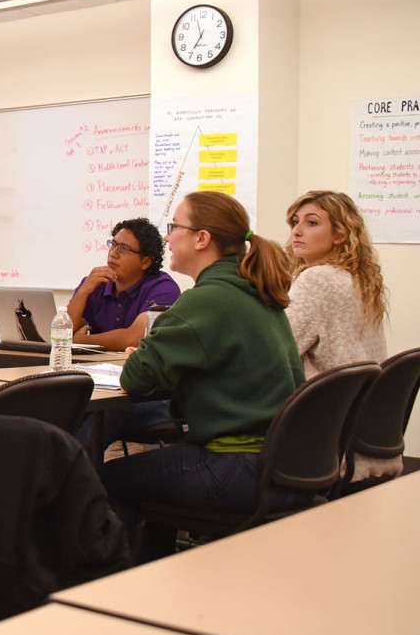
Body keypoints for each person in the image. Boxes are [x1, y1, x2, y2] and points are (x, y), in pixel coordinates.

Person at [98, 191, 307, 562]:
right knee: (128, 442)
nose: (167, 237)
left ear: (202, 238)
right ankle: (157, 574)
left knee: (103, 479)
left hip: (234, 465)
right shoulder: (253, 289)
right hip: (281, 466)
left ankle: (117, 580)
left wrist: (148, 353)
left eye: (174, 226)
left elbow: (136, 377)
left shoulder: (207, 299)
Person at [285, 190, 394, 481]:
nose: (297, 231)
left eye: (311, 223)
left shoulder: (317, 278)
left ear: (340, 234)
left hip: (329, 445)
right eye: (295, 222)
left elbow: (279, 350)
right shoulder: (357, 279)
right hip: (364, 438)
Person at [67, 218, 180, 351]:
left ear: (146, 261)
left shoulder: (163, 288)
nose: (113, 253)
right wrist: (83, 291)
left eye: (124, 249)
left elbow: (134, 338)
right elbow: (63, 331)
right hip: (98, 362)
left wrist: (80, 340)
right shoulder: (95, 283)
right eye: (113, 244)